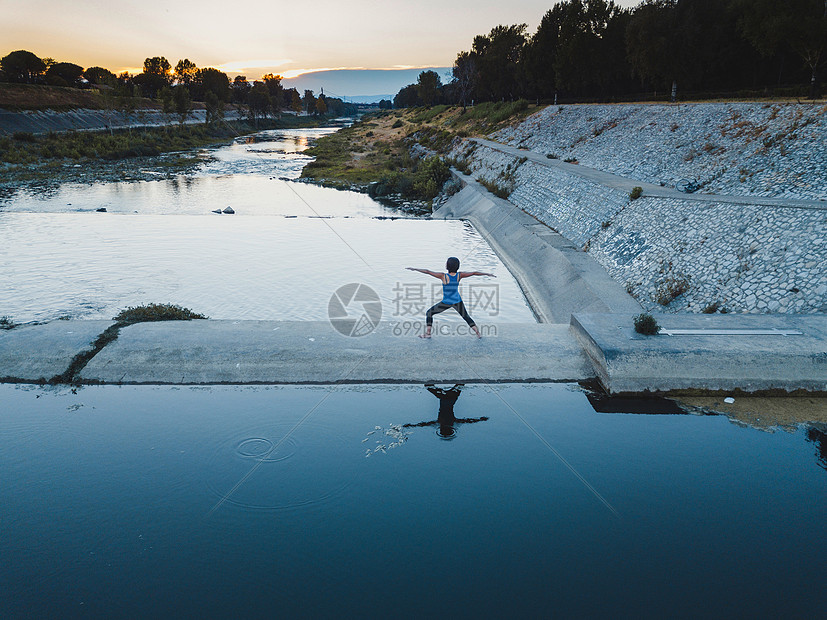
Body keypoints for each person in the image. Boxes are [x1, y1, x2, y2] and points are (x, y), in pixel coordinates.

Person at [406, 257, 495, 338]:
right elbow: (474, 273)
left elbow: (428, 271)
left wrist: (415, 269)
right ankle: (478, 334)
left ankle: (428, 334)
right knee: (466, 317)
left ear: (447, 266)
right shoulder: (459, 275)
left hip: (446, 302)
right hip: (457, 301)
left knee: (429, 313)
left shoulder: (443, 276)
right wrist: (487, 274)